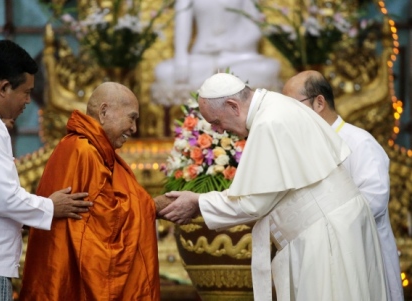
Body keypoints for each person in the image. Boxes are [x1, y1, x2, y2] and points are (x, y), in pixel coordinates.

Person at [160, 73, 388, 301]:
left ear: (233, 106)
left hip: (326, 237)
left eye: (217, 122)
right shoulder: (277, 107)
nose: (218, 131)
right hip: (332, 228)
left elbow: (253, 203)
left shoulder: (269, 121)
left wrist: (198, 202)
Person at [0, 40, 92, 300]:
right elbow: (3, 199)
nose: (28, 101)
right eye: (26, 92)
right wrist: (52, 206)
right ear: (4, 87)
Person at [19, 82, 173, 300]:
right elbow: (101, 222)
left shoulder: (88, 149)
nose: (134, 129)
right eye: (132, 118)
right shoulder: (84, 152)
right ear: (103, 112)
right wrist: (151, 206)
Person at [282, 70, 404, 301]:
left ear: (319, 103)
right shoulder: (300, 148)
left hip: (362, 256)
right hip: (317, 262)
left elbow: (374, 201)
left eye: (293, 106)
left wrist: (319, 220)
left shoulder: (360, 142)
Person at [151, 0, 281, 105]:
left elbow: (255, 28)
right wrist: (181, 59)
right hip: (203, 56)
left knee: (267, 68)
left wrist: (228, 44)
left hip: (236, 56)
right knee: (164, 71)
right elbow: (182, 26)